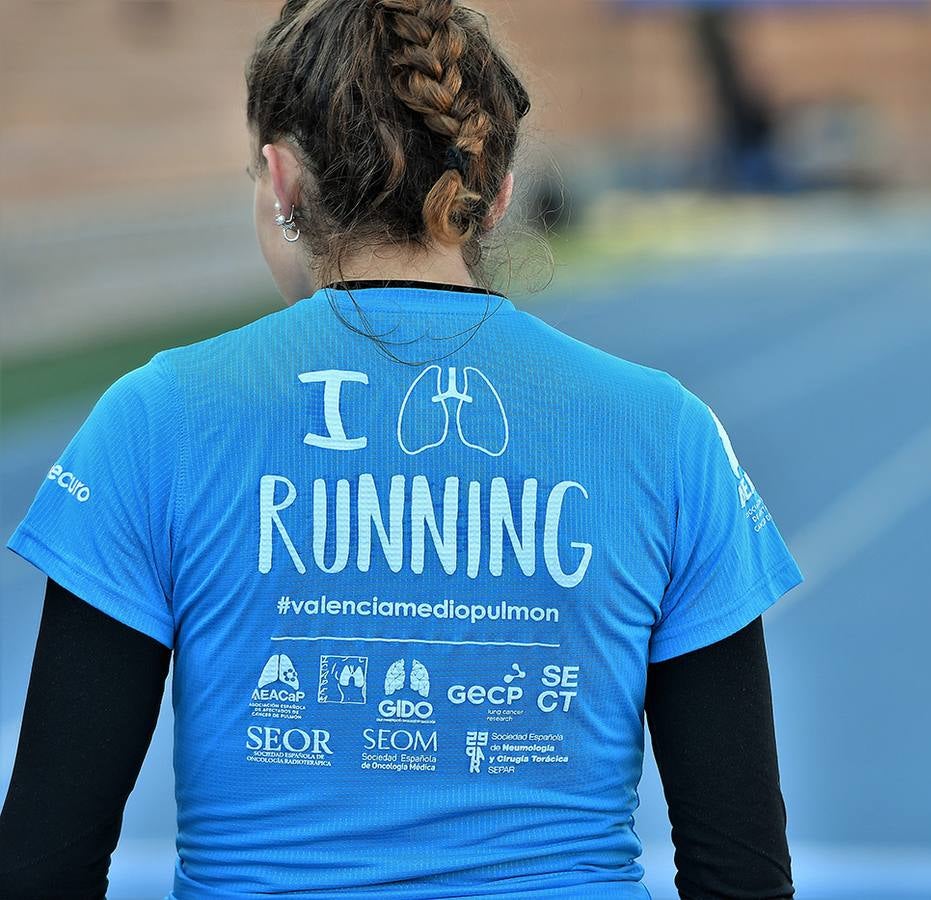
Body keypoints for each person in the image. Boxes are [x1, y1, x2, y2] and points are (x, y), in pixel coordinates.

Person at [0, 2, 803, 898]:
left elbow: (43, 865)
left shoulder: (154, 422)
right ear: (495, 193)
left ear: (281, 179)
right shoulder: (666, 433)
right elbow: (743, 872)